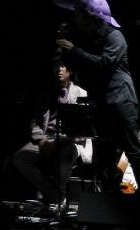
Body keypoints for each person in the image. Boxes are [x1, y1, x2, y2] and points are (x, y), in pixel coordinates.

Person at [54, 0, 140, 224]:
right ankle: (110, 202)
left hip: (122, 100)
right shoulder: (95, 39)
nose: (77, 20)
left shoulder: (115, 37)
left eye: (80, 16)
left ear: (91, 18)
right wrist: (66, 51)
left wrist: (74, 49)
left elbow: (103, 65)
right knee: (107, 151)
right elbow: (82, 66)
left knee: (133, 151)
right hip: (106, 102)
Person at [13, 63, 90, 212]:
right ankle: (54, 195)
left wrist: (61, 140)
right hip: (46, 138)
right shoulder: (46, 93)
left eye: (63, 67)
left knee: (67, 152)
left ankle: (56, 195)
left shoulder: (81, 93)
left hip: (69, 140)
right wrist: (41, 139)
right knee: (19, 157)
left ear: (70, 71)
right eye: (56, 67)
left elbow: (82, 129)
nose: (59, 70)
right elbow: (34, 121)